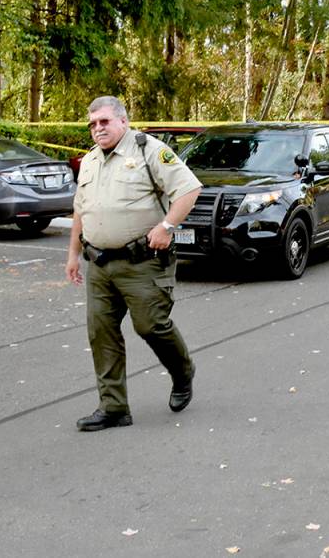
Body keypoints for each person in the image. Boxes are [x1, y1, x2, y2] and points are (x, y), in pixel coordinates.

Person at [66, 96, 203, 432]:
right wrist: (72, 254)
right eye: (93, 124)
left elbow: (189, 189)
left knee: (151, 326)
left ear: (123, 121)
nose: (98, 128)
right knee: (101, 332)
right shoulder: (90, 160)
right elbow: (81, 210)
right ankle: (113, 407)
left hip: (142, 262)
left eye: (104, 121)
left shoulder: (148, 150)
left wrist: (167, 226)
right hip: (99, 263)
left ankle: (183, 372)